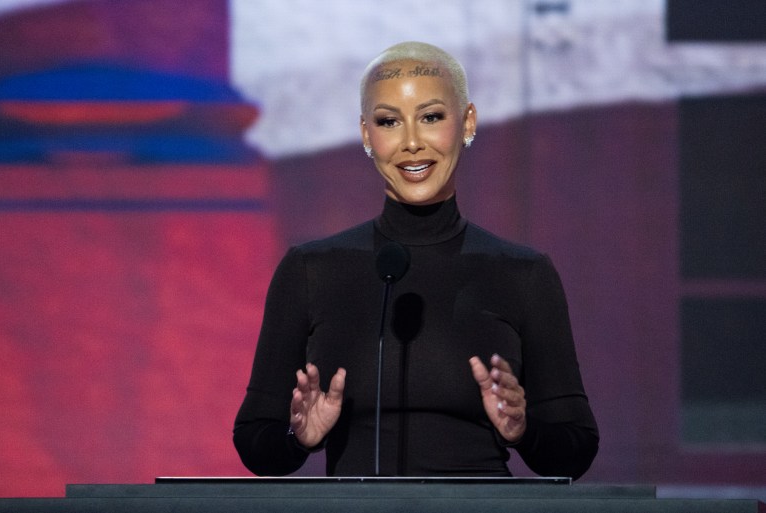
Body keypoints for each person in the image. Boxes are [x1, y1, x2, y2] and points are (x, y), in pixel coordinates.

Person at [233, 41, 598, 479]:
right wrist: (301, 438)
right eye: (389, 122)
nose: (410, 142)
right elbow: (256, 441)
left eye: (431, 117)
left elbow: (576, 448)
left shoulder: (524, 274)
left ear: (467, 122)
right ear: (368, 135)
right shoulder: (311, 270)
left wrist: (523, 431)